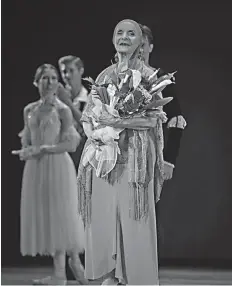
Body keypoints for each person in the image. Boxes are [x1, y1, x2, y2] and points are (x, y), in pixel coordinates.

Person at [77, 19, 171, 285]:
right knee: (104, 217)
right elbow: (89, 115)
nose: (125, 37)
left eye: (132, 34)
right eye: (120, 32)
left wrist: (117, 122)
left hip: (136, 158)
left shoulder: (150, 77)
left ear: (141, 42)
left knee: (134, 218)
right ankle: (110, 275)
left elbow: (152, 120)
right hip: (104, 157)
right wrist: (93, 134)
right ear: (113, 39)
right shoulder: (104, 75)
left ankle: (135, 276)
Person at [12, 64, 88, 285]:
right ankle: (64, 270)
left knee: (60, 215)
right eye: (45, 78)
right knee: (45, 215)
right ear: (36, 82)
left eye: (54, 78)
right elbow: (28, 139)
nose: (50, 82)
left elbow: (71, 143)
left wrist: (44, 149)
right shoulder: (29, 110)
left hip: (57, 166)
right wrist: (26, 151)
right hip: (36, 168)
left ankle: (63, 272)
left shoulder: (63, 110)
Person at [139, 24, 187, 178]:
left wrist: (169, 160)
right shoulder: (118, 78)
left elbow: (177, 120)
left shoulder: (161, 78)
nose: (139, 50)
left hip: (150, 152)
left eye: (142, 45)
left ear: (150, 47)